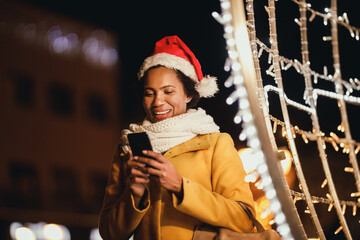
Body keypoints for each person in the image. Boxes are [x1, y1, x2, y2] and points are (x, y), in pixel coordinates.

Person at [98, 35, 255, 240]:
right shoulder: (127, 149)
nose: (158, 102)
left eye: (168, 91)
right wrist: (134, 194)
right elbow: (109, 234)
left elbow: (244, 219)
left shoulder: (215, 143)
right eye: (149, 93)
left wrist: (180, 186)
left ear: (188, 94)